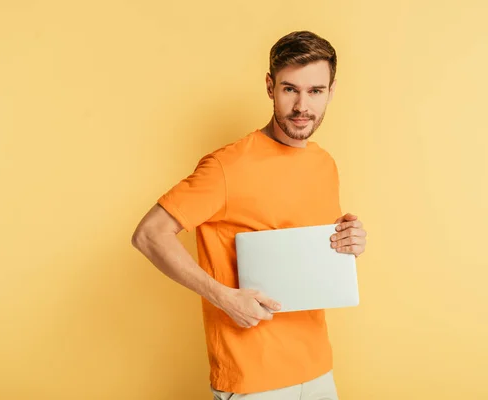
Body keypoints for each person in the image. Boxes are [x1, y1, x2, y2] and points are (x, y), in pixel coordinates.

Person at [132, 30, 367, 399]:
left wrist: (350, 243)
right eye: (290, 89)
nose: (302, 106)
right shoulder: (227, 166)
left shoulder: (324, 164)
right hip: (253, 377)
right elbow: (149, 234)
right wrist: (223, 297)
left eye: (315, 91)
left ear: (331, 91)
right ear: (270, 86)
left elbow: (310, 256)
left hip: (318, 366)